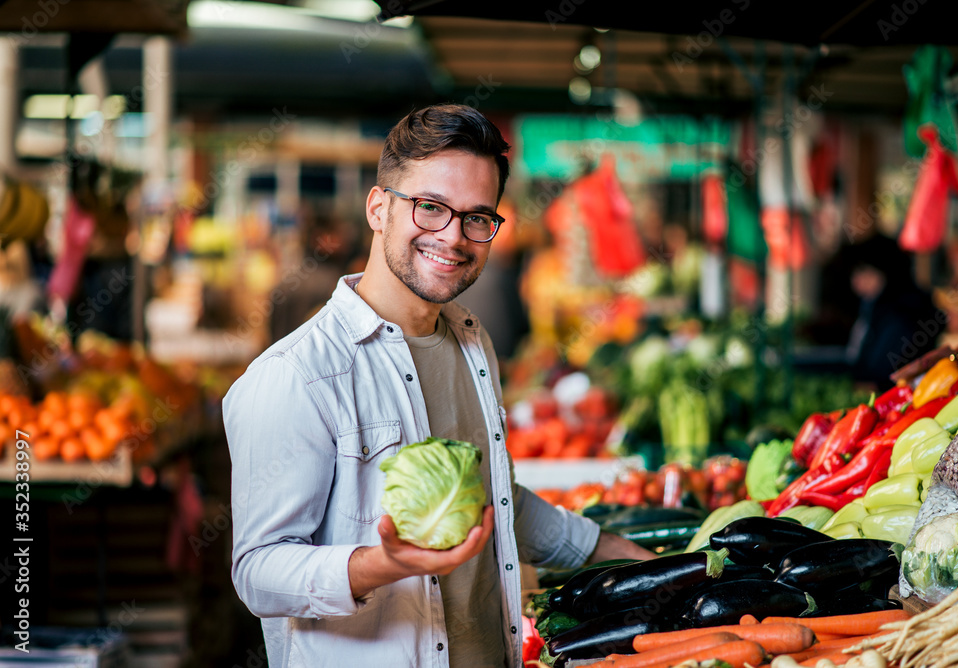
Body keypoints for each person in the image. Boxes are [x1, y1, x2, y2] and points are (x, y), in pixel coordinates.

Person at [222, 104, 654, 668]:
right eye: (430, 208)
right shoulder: (296, 375)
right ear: (379, 208)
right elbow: (258, 573)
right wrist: (388, 563)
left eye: (478, 217)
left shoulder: (472, 344)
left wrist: (622, 555)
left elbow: (495, 497)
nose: (453, 237)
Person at [843, 233, 942, 389]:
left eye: (864, 272)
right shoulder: (875, 307)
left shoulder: (900, 316)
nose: (856, 281)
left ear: (884, 273)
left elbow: (879, 373)